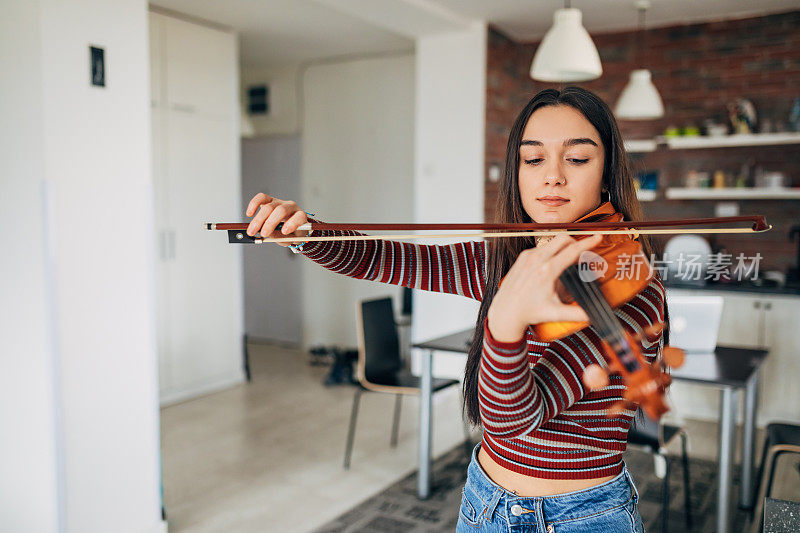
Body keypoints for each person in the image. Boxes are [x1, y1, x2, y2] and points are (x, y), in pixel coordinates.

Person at [245, 86, 667, 532]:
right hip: (484, 501)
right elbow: (394, 259)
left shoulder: (631, 288)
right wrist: (307, 233)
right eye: (533, 159)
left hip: (583, 516)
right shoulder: (508, 258)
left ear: (606, 172)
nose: (552, 177)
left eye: (577, 159)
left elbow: (513, 421)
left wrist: (504, 321)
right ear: (516, 172)